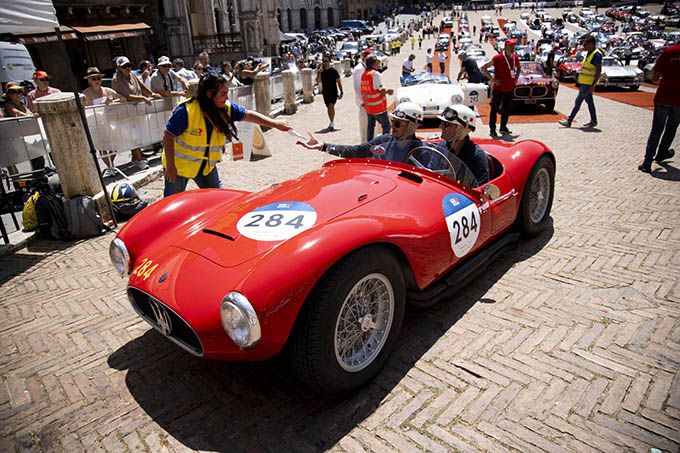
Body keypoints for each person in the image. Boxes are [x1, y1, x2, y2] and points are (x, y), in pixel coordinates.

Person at [162, 73, 291, 197]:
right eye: (223, 94)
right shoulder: (186, 111)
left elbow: (248, 115)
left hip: (207, 167)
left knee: (219, 199)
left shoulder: (226, 108)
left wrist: (274, 123)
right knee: (171, 203)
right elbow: (168, 135)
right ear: (209, 94)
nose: (227, 98)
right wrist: (171, 166)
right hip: (178, 168)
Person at [296, 102, 424, 162]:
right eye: (392, 121)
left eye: (398, 123)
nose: (393, 126)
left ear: (412, 126)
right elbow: (356, 151)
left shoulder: (422, 151)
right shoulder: (383, 140)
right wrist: (323, 146)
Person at [112, 56, 162, 170]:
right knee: (133, 136)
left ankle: (136, 159)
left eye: (129, 65)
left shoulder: (132, 74)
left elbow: (141, 85)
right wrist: (143, 98)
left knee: (137, 135)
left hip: (136, 111)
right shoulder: (117, 79)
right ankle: (139, 160)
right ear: (118, 68)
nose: (127, 68)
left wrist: (151, 94)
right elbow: (127, 96)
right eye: (124, 66)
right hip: (125, 112)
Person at [638, 42, 680, 173]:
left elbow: (655, 77)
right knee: (671, 129)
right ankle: (662, 154)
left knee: (656, 129)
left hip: (663, 96)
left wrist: (665, 82)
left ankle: (647, 162)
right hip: (678, 100)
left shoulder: (669, 52)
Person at [435, 104, 490, 186]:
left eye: (446, 124)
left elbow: (481, 188)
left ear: (461, 129)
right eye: (441, 123)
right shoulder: (440, 148)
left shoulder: (476, 156)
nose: (441, 126)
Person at [559, 36, 602, 129]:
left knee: (578, 101)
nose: (584, 46)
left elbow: (598, 71)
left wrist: (593, 84)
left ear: (591, 44)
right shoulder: (588, 53)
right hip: (584, 82)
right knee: (589, 101)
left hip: (588, 84)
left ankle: (569, 121)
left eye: (586, 44)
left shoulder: (596, 55)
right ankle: (594, 120)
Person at [481, 38, 520, 137]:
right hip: (498, 90)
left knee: (506, 109)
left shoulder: (515, 57)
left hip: (510, 89)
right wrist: (492, 79)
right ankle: (492, 129)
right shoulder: (497, 58)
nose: (513, 48)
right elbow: (484, 68)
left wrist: (516, 78)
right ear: (505, 47)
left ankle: (503, 127)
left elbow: (519, 68)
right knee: (494, 109)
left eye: (513, 46)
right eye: (510, 46)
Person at [361, 54, 394, 141]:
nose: (379, 62)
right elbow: (381, 90)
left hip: (369, 107)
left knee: (370, 127)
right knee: (386, 126)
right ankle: (384, 144)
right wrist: (388, 91)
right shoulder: (375, 74)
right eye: (377, 61)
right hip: (378, 107)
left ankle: (369, 145)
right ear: (373, 63)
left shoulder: (364, 74)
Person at [316, 54, 343, 131]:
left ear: (329, 62)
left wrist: (341, 92)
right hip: (325, 92)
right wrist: (319, 72)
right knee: (328, 107)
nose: (325, 62)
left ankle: (332, 122)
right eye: (323, 61)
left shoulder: (333, 71)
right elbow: (317, 81)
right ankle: (331, 121)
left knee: (331, 105)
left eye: (326, 61)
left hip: (333, 91)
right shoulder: (321, 71)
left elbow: (338, 81)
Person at [352, 50, 371, 142]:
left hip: (371, 103)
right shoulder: (359, 69)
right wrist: (362, 102)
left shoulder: (368, 68)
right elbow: (358, 87)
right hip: (364, 104)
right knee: (365, 129)